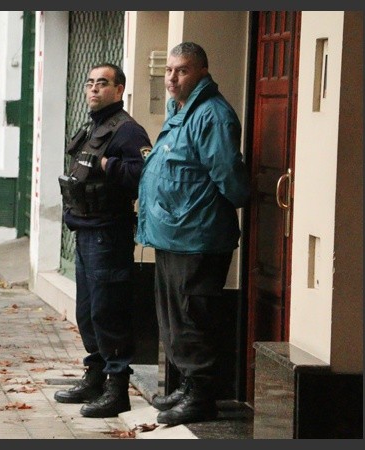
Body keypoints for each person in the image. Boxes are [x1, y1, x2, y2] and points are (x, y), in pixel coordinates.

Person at [135, 42, 250, 426]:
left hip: (197, 239)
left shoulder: (212, 116)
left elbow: (229, 178)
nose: (171, 77)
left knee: (193, 319)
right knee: (175, 321)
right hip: (174, 236)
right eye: (168, 70)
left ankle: (201, 397)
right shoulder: (180, 112)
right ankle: (186, 385)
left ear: (202, 71)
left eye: (181, 70)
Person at [54, 63, 151, 418]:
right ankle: (94, 376)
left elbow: (144, 175)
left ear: (119, 89)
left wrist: (110, 166)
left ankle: (116, 389)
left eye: (103, 83)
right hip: (86, 232)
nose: (94, 89)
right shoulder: (93, 127)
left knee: (108, 311)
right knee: (87, 313)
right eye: (90, 83)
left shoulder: (128, 131)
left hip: (109, 233)